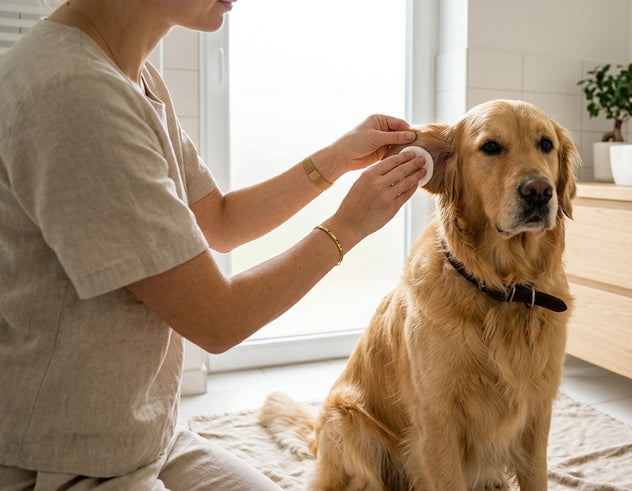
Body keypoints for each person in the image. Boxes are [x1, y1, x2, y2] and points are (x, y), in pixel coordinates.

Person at [0, 0, 427, 488]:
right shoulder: (74, 92)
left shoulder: (133, 75)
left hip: (143, 440)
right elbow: (217, 321)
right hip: (63, 462)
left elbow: (218, 220)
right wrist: (348, 226)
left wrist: (334, 159)